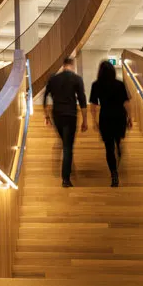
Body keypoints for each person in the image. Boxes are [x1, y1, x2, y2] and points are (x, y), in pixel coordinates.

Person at [43, 57, 88, 188]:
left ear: (63, 65)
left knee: (64, 142)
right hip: (70, 115)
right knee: (68, 146)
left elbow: (45, 97)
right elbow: (83, 100)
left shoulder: (53, 79)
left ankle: (67, 166)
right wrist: (85, 120)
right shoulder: (77, 79)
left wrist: (46, 116)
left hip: (57, 114)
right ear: (72, 65)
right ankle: (66, 179)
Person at [89, 60, 132, 188]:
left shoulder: (96, 85)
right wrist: (130, 118)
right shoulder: (119, 84)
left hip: (105, 117)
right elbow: (127, 102)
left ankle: (114, 174)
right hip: (119, 116)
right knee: (117, 139)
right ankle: (119, 147)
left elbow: (93, 104)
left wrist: (94, 120)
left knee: (109, 148)